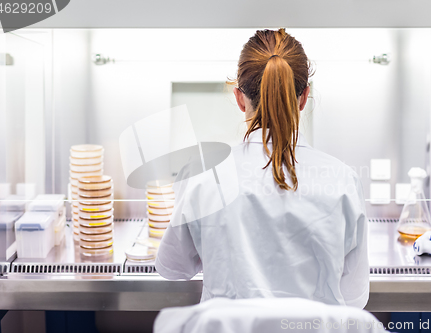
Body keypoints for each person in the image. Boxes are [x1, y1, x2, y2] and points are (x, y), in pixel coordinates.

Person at [155, 28, 369, 308]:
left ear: (239, 97)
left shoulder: (205, 175)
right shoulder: (343, 180)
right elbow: (354, 296)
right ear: (304, 98)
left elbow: (173, 267)